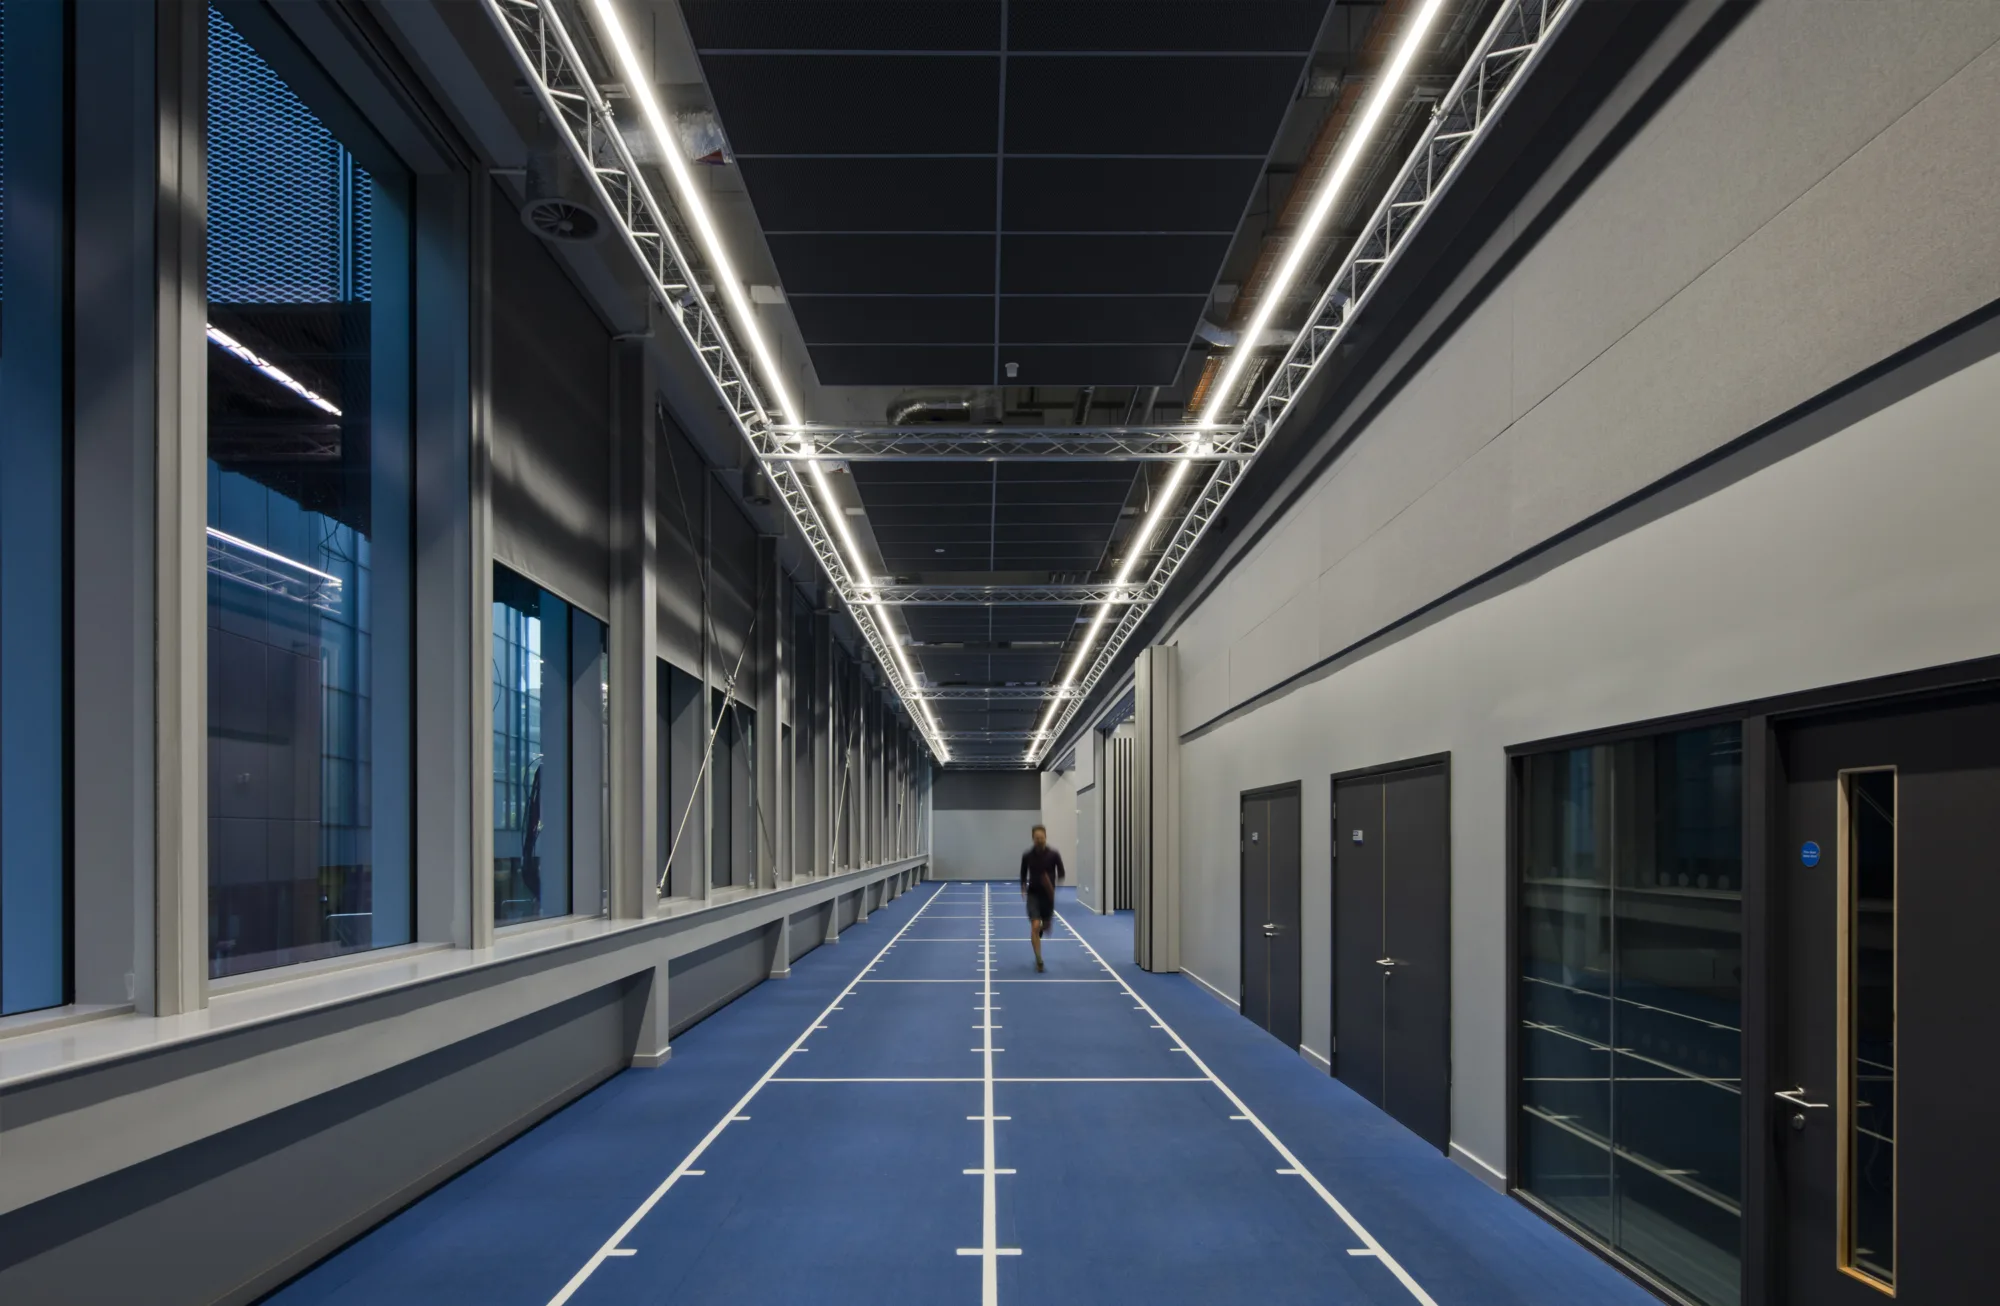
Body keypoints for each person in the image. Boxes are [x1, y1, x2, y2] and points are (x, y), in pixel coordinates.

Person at [1019, 824, 1066, 972]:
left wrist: (1051, 883)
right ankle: (1039, 960)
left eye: (1042, 837)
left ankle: (1045, 926)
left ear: (1046, 837)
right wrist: (1023, 887)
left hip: (1048, 896)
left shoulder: (1054, 854)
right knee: (1034, 926)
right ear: (1033, 838)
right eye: (1037, 838)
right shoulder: (1027, 855)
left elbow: (1062, 873)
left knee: (1044, 927)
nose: (1039, 840)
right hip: (1033, 894)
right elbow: (1023, 872)